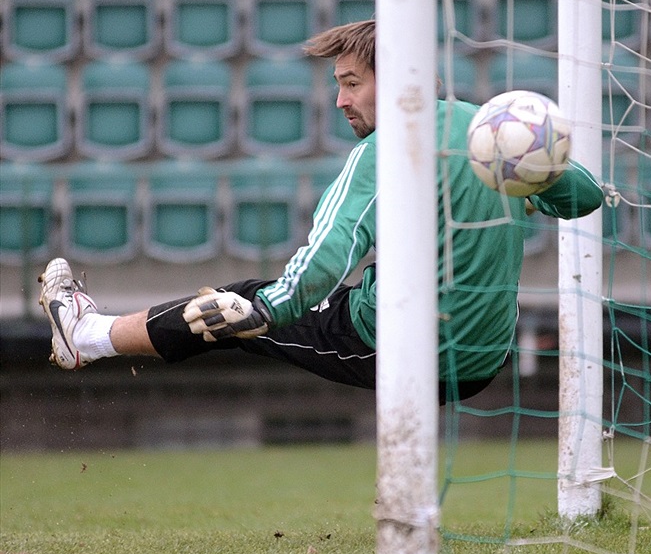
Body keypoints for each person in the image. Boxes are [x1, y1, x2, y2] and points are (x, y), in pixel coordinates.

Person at [39, 20, 604, 403]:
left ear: (400, 80)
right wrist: (541, 156)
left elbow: (327, 256)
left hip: (396, 347)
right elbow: (586, 198)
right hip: (483, 360)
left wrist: (265, 310)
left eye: (352, 83)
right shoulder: (491, 133)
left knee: (231, 303)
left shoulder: (384, 151)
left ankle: (87, 334)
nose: (340, 101)